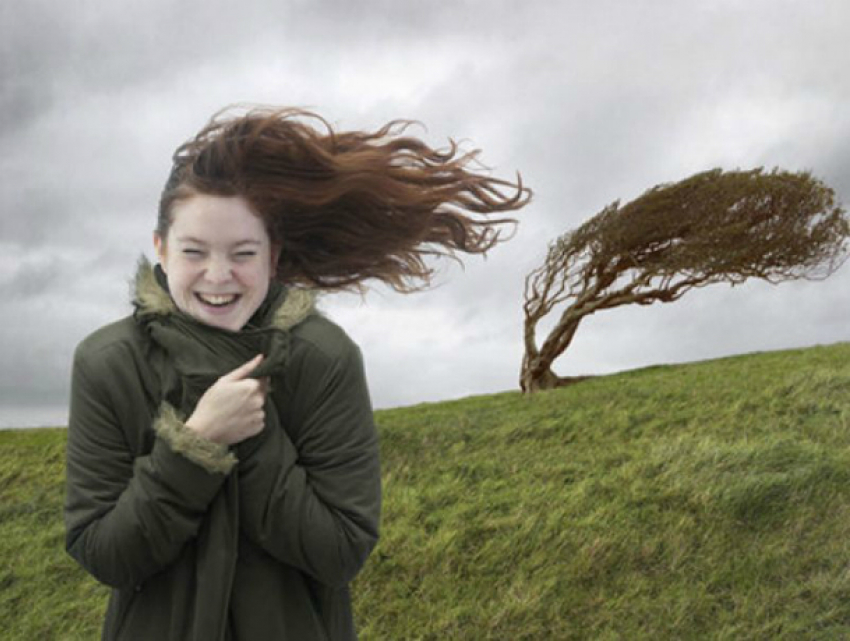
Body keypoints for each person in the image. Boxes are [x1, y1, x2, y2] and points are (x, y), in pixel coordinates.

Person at [64, 106, 531, 640]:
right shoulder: (106, 363)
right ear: (161, 250)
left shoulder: (324, 358)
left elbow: (341, 551)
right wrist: (197, 444)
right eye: (194, 252)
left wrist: (253, 437)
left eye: (243, 253)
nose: (218, 275)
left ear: (273, 256)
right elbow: (104, 554)